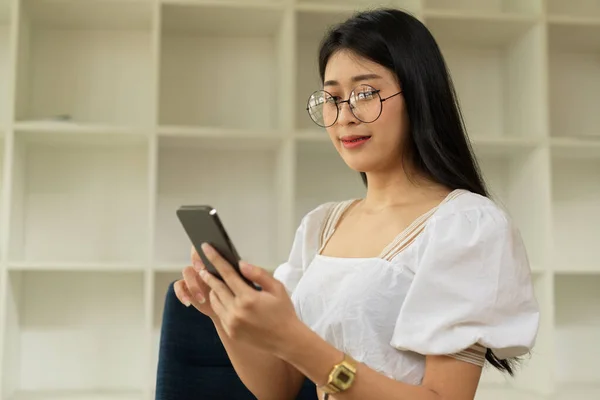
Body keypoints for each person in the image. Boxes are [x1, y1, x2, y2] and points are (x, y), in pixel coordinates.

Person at [174, 7, 540, 400]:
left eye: (365, 93)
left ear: (418, 95)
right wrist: (222, 315)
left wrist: (296, 341)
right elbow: (277, 388)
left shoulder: (466, 225)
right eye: (332, 98)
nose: (345, 115)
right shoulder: (322, 225)